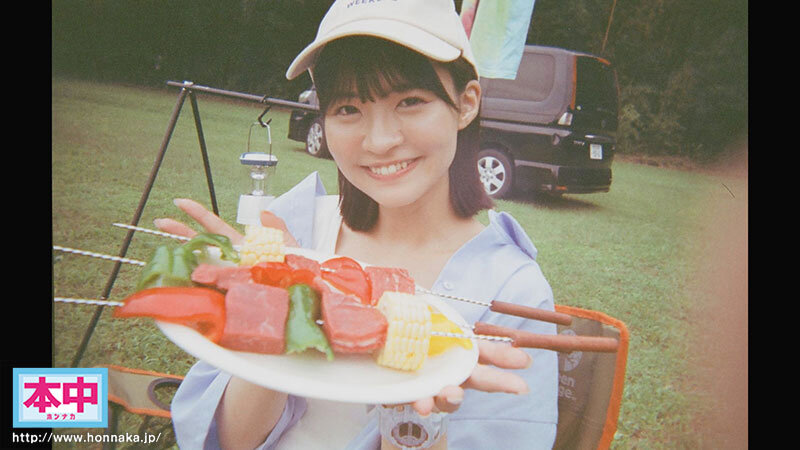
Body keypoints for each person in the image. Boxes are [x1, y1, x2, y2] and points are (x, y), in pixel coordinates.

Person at [160, 0, 558, 448]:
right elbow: (229, 442)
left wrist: (413, 419)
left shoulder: (512, 293)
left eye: (410, 101)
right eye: (348, 108)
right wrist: (272, 316)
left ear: (465, 104)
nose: (380, 141)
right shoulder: (297, 231)